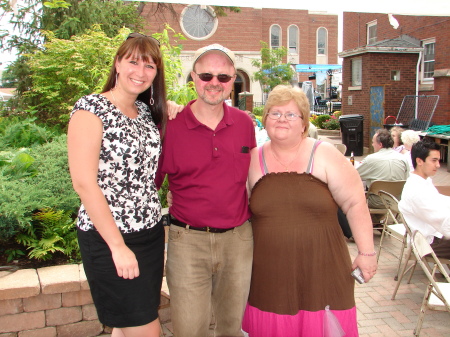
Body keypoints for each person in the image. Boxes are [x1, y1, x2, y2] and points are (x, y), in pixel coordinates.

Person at [68, 33, 181, 337]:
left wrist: (172, 107)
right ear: (117, 63)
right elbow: (83, 183)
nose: (140, 72)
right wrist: (117, 247)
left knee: (126, 324)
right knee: (145, 327)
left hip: (149, 233)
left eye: (150, 66)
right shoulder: (91, 110)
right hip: (109, 238)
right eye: (133, 62)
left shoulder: (145, 113)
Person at [242, 85, 377, 337]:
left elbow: (355, 203)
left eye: (291, 114)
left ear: (304, 123)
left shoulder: (324, 154)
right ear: (265, 119)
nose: (282, 119)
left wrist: (366, 252)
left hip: (323, 269)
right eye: (275, 113)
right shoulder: (251, 160)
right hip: (270, 274)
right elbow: (237, 210)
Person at [155, 44, 256, 337]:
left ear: (233, 79)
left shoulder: (244, 124)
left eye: (223, 78)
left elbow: (253, 178)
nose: (214, 83)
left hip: (238, 241)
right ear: (193, 77)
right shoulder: (170, 126)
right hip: (187, 242)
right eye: (207, 75)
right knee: (189, 330)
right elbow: (151, 185)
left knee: (231, 329)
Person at [399, 141, 450, 258]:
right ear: (419, 161)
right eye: (434, 160)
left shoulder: (423, 181)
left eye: (438, 160)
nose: (438, 165)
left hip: (434, 236)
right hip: (428, 244)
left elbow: (439, 201)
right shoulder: (416, 190)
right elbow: (442, 220)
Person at [357, 128, 409, 210]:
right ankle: (378, 221)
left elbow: (354, 174)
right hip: (397, 200)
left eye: (373, 142)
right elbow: (407, 178)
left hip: (377, 201)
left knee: (353, 196)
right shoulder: (402, 159)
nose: (372, 144)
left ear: (380, 144)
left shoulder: (371, 159)